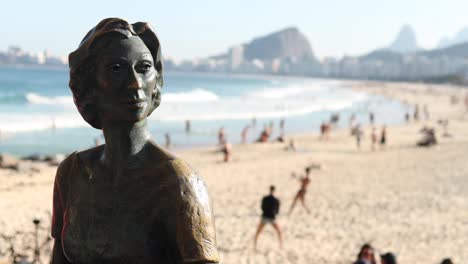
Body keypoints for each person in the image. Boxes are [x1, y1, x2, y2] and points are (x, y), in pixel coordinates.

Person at [51, 18, 219, 263]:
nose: (135, 83)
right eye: (117, 69)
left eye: (144, 67)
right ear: (89, 84)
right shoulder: (72, 173)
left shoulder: (177, 182)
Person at [254, 185, 283, 250]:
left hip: (264, 216)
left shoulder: (265, 198)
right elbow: (277, 211)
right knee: (279, 232)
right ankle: (281, 245)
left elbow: (262, 207)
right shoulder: (276, 200)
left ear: (269, 190)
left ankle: (255, 245)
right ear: (274, 190)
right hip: (272, 218)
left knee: (258, 232)